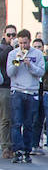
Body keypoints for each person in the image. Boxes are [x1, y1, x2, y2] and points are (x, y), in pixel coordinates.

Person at [7, 29, 45, 163]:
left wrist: (30, 65)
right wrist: (17, 61)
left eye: (25, 43)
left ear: (30, 41)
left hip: (31, 92)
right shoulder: (13, 54)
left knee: (29, 124)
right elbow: (10, 72)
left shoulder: (37, 54)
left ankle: (27, 151)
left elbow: (41, 72)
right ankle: (17, 150)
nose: (23, 46)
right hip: (17, 91)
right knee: (16, 123)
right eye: (21, 43)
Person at [0, 24, 15, 158]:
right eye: (9, 35)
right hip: (4, 86)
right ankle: (5, 146)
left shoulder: (18, 49)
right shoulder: (3, 48)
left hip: (17, 86)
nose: (11, 37)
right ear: (4, 35)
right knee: (5, 118)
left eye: (13, 35)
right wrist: (10, 48)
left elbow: (16, 65)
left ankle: (12, 145)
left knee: (13, 119)